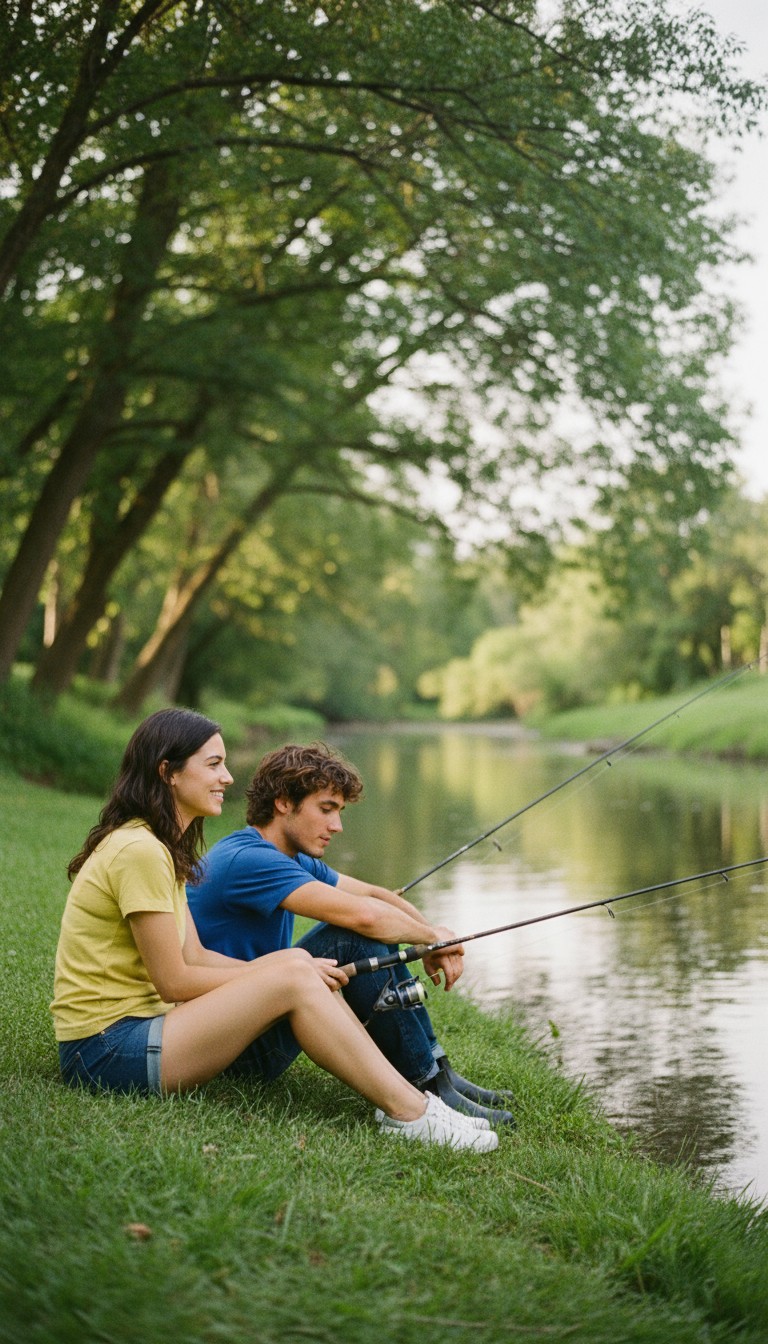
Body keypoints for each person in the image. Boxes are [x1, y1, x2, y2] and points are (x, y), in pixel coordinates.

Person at [50, 708, 498, 1153]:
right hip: (104, 1053)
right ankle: (413, 1113)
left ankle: (416, 1099)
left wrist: (289, 966)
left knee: (297, 966)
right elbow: (174, 980)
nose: (227, 777)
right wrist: (282, 975)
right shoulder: (141, 851)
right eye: (213, 764)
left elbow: (198, 957)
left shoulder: (160, 849)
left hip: (139, 1035)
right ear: (168, 772)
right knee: (297, 969)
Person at [187, 741, 516, 1126]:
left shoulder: (287, 856)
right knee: (351, 937)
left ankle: (438, 1072)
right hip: (230, 1051)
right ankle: (425, 1084)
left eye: (339, 812)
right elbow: (364, 917)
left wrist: (430, 938)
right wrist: (428, 937)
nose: (337, 826)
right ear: (282, 802)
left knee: (361, 931)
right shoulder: (250, 860)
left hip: (252, 1020)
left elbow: (376, 896)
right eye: (326, 810)